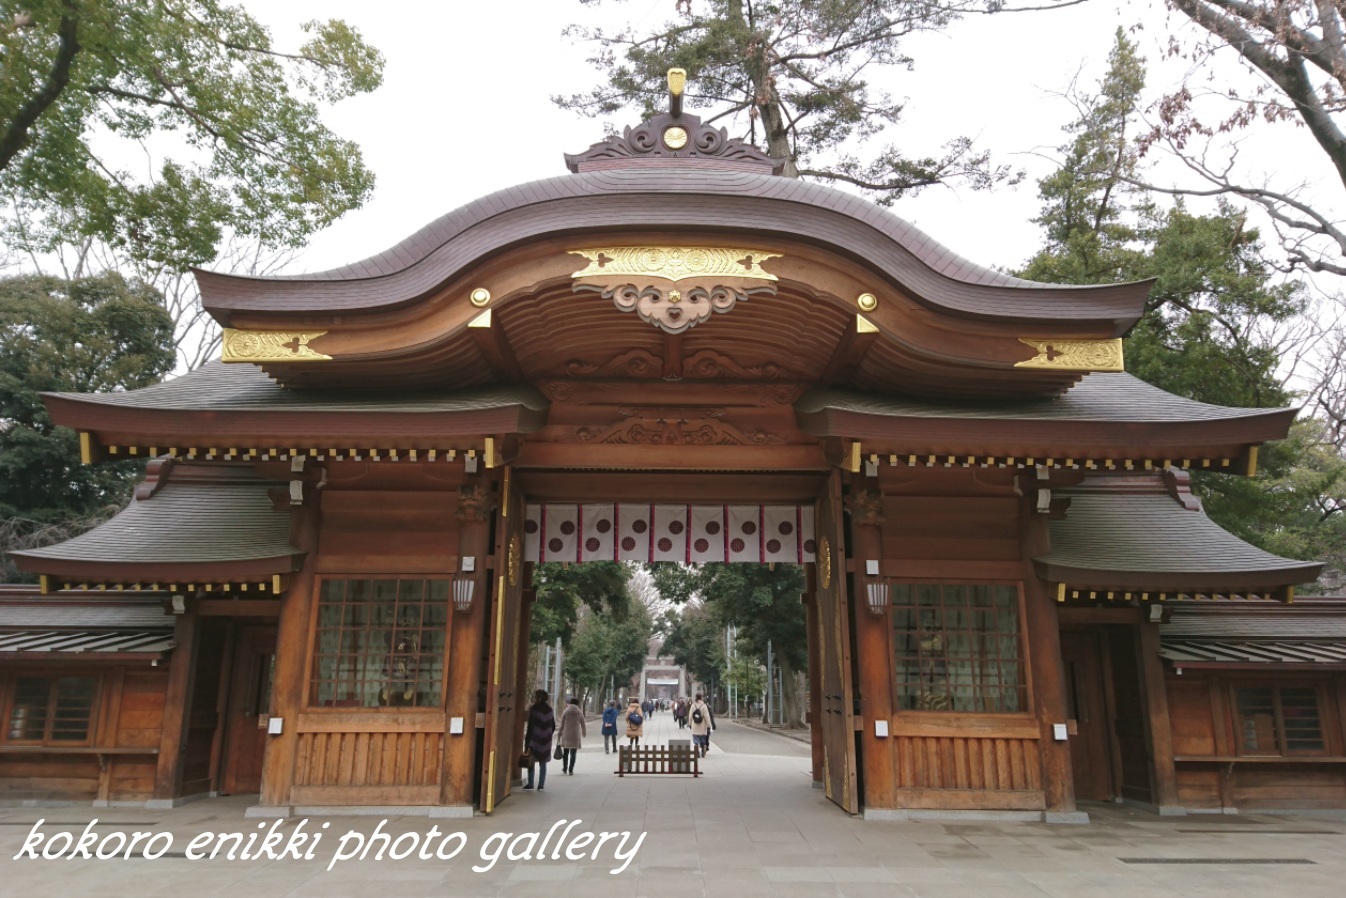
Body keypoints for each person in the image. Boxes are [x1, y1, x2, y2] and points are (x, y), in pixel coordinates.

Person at [523, 689, 555, 790]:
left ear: (538, 697)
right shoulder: (550, 709)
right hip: (546, 740)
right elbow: (553, 725)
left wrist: (527, 740)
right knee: (543, 762)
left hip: (535, 739)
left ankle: (531, 784)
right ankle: (541, 785)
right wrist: (547, 734)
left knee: (531, 761)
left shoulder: (534, 709)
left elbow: (531, 726)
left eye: (536, 696)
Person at [558, 696, 586, 775]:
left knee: (565, 753)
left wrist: (559, 733)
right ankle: (571, 769)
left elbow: (562, 724)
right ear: (577, 703)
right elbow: (583, 724)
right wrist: (584, 732)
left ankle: (564, 768)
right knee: (573, 753)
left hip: (566, 734)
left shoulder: (566, 711)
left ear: (570, 703)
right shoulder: (579, 712)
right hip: (575, 735)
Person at [688, 692, 715, 758]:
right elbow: (707, 716)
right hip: (702, 726)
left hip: (695, 725)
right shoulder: (704, 705)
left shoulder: (693, 705)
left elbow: (690, 715)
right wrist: (709, 725)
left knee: (696, 739)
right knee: (703, 739)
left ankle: (696, 750)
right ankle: (703, 750)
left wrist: (689, 723)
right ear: (701, 697)